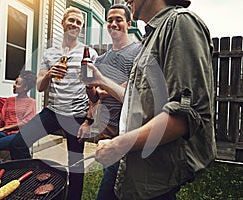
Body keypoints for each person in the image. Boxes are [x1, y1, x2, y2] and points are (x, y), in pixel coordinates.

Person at [86, 0, 217, 199]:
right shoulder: (150, 38)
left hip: (152, 171)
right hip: (128, 159)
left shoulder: (180, 23)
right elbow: (135, 101)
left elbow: (184, 117)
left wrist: (118, 145)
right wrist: (99, 83)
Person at [9, 7, 98, 200]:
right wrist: (49, 73)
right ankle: (31, 184)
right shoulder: (50, 53)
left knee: (75, 163)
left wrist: (88, 120)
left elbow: (94, 89)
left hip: (77, 115)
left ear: (81, 27)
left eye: (78, 22)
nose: (74, 24)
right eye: (71, 20)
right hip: (53, 112)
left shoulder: (88, 53)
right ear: (63, 22)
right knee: (18, 144)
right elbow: (40, 87)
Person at [77, 4, 140, 200]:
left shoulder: (139, 52)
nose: (113, 23)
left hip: (129, 129)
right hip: (107, 128)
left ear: (128, 24)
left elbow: (133, 94)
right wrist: (91, 89)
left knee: (113, 187)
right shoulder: (101, 58)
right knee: (113, 181)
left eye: (118, 19)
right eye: (110, 20)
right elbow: (95, 98)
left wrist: (104, 88)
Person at [0, 70, 36, 166]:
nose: (14, 85)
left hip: (19, 135)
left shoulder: (31, 102)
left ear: (25, 87)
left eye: (17, 84)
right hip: (4, 133)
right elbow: (2, 118)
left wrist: (5, 128)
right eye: (15, 83)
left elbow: (26, 122)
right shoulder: (9, 100)